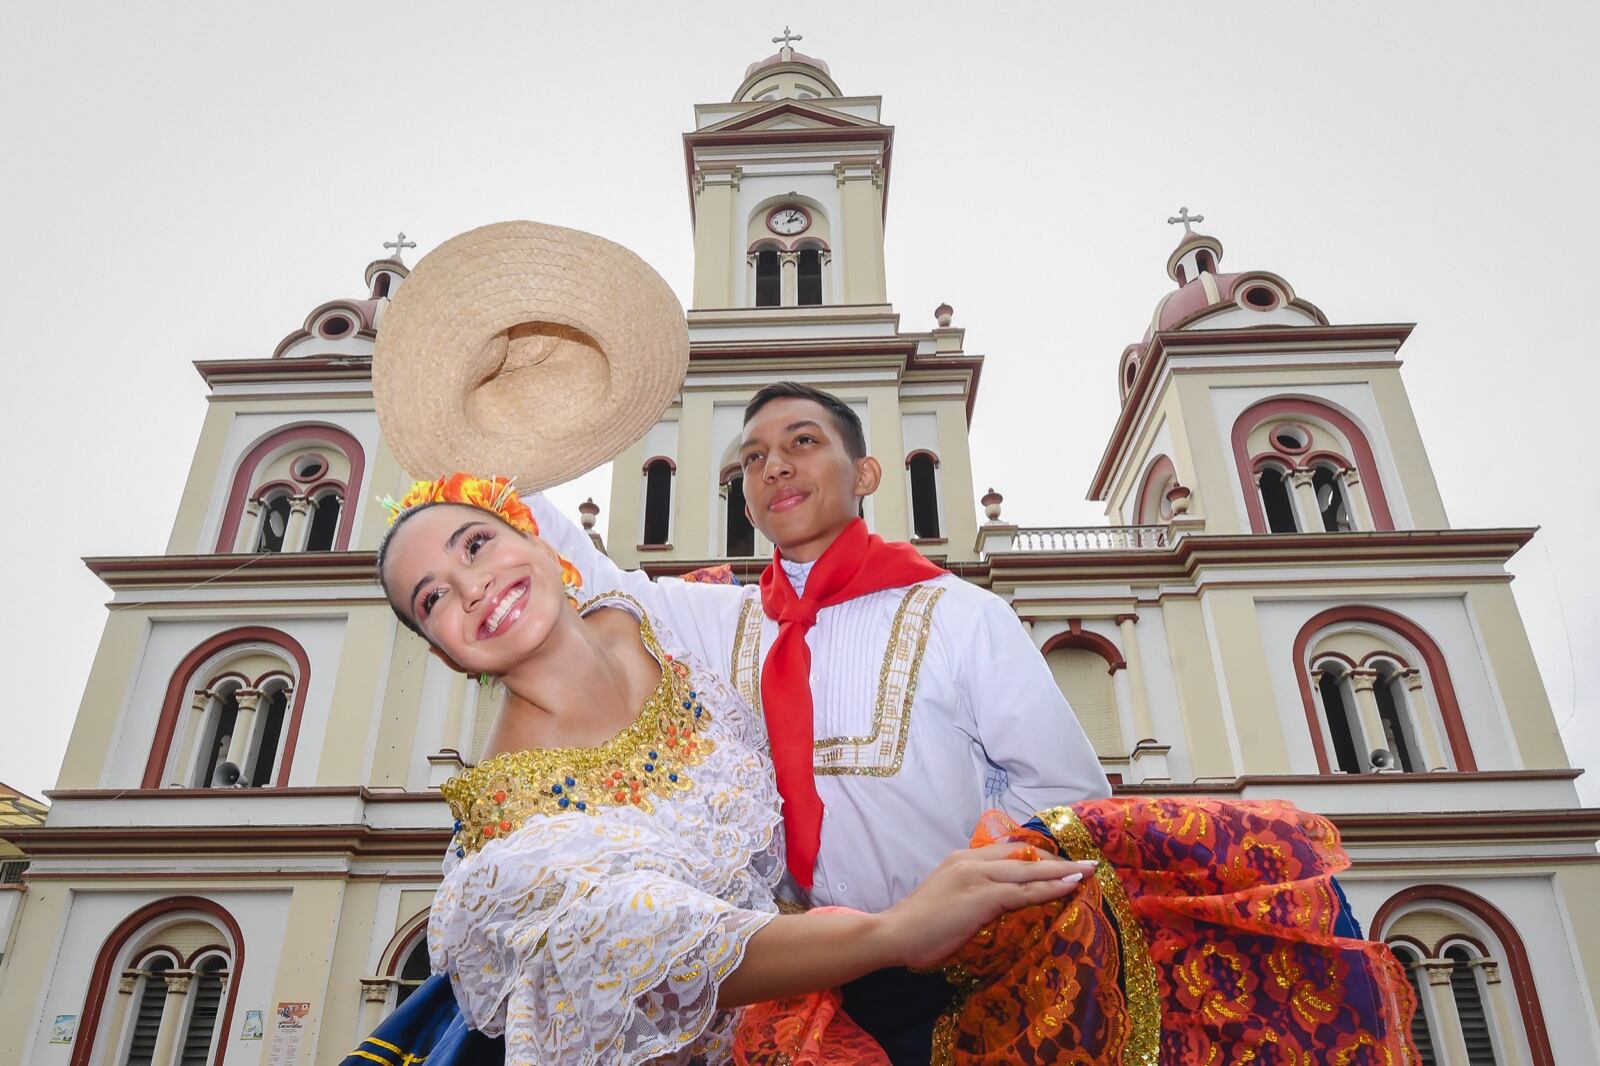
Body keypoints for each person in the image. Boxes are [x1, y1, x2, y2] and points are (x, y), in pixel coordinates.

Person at [349, 473, 1093, 1066]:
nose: (470, 586)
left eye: (475, 545)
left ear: (544, 547)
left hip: (863, 984)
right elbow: (661, 946)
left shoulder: (652, 626)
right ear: (445, 652)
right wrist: (897, 932)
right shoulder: (510, 834)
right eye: (434, 598)